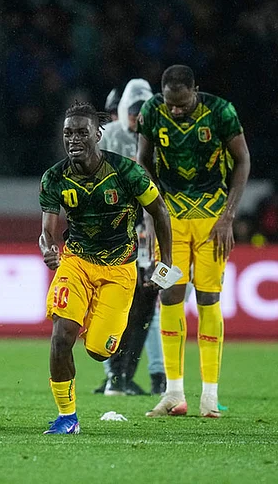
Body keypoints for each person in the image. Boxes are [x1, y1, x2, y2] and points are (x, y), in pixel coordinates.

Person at [39, 101, 174, 434]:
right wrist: (48, 248)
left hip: (119, 269)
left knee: (99, 352)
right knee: (61, 337)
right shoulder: (54, 177)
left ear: (97, 134)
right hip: (76, 262)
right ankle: (67, 417)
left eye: (81, 132)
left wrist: (165, 260)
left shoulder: (127, 172)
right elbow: (48, 230)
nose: (73, 139)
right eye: (68, 133)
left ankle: (90, 315)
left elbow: (159, 211)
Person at [138, 65, 251, 418]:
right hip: (169, 222)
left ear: (196, 91)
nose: (175, 110)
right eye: (170, 103)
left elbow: (242, 160)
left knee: (208, 298)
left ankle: (209, 396)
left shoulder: (221, 111)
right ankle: (173, 393)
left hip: (212, 223)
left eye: (183, 104)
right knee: (169, 295)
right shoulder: (151, 111)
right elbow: (142, 161)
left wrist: (228, 217)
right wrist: (152, 214)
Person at [93, 79, 166, 396]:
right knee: (117, 300)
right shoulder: (109, 136)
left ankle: (135, 375)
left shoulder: (161, 135)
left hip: (151, 228)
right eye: (134, 113)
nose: (138, 120)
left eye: (143, 114)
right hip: (117, 227)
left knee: (149, 302)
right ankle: (116, 374)